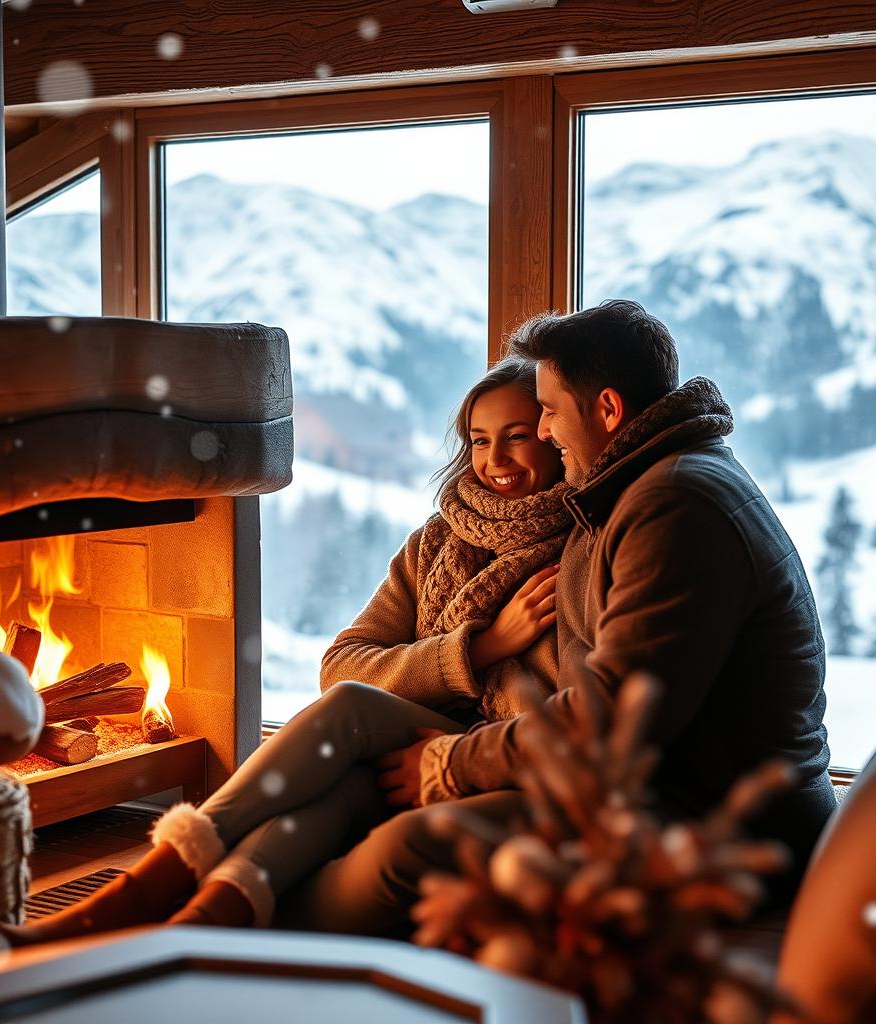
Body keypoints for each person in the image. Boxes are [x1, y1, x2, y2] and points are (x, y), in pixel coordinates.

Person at [264, 299, 836, 936]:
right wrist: (470, 661)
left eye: (550, 413)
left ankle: (261, 950)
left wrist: (451, 764)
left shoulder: (672, 504)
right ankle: (213, 894)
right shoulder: (644, 489)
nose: (544, 432)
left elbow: (608, 718)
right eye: (486, 437)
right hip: (662, 795)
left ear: (608, 410)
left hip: (716, 828)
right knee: (350, 748)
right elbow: (347, 663)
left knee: (415, 844)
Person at [0, 356, 569, 945]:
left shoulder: (576, 556)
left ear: (549, 435)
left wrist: (454, 748)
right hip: (404, 748)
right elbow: (341, 665)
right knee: (309, 807)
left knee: (353, 712)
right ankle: (177, 931)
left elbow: (568, 719)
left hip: (483, 757)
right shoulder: (436, 544)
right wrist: (480, 648)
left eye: (516, 438)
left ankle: (137, 897)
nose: (495, 460)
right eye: (479, 440)